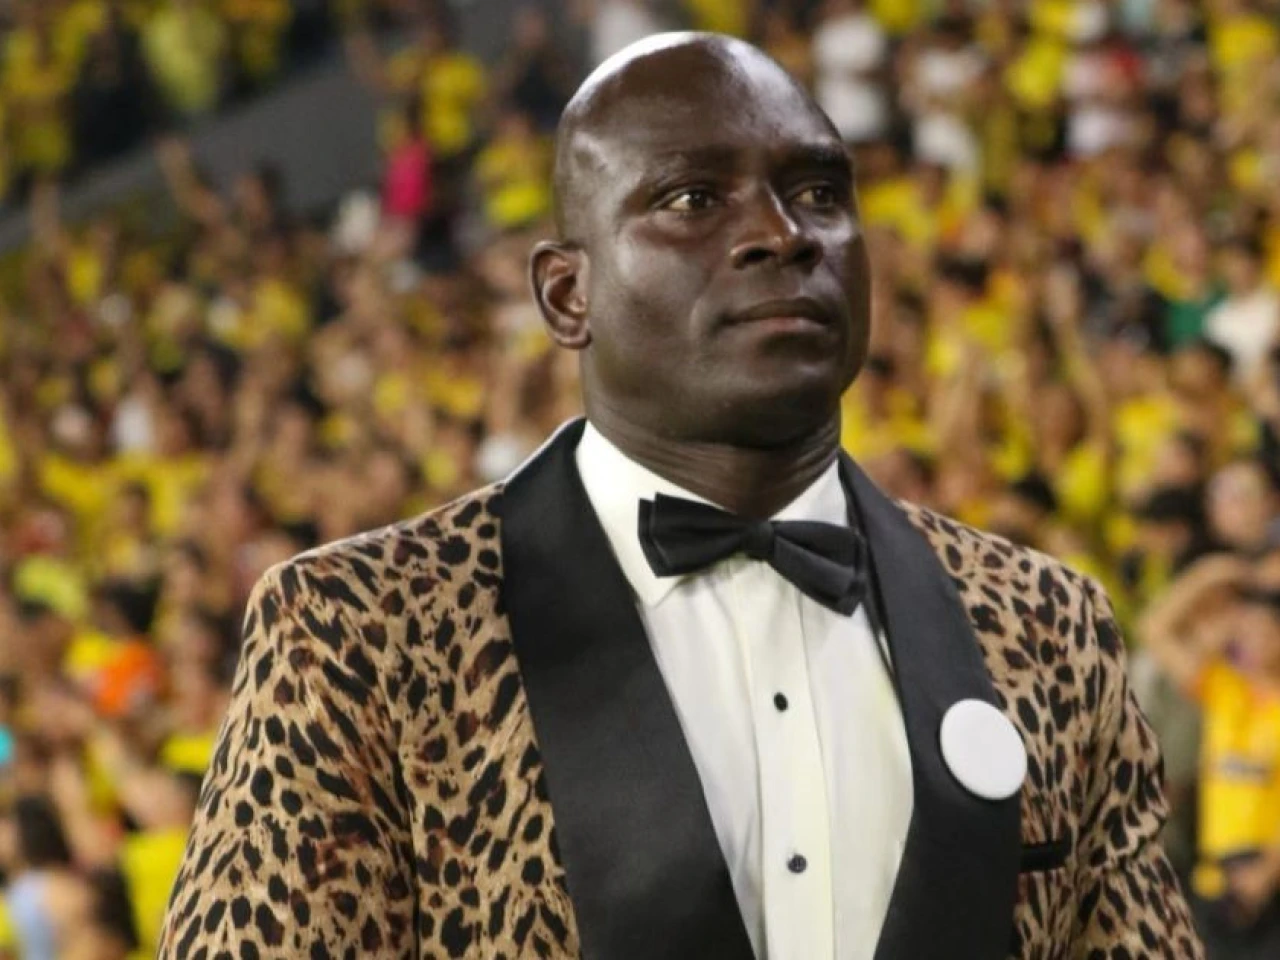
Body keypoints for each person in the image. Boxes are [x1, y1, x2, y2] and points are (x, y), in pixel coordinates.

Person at [158, 33, 1201, 959]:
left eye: (819, 193)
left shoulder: (1046, 622)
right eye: (694, 200)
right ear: (567, 294)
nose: (783, 233)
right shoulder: (360, 631)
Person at [1139, 551, 1280, 959]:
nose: (1252, 638)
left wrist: (1267, 871)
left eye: (1264, 630)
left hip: (1267, 877)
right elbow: (1154, 629)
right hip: (1215, 879)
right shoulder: (1225, 688)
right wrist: (1209, 573)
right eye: (1246, 629)